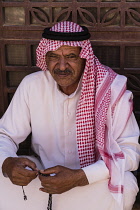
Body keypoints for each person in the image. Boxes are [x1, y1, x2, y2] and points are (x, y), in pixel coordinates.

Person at [0, 21, 139, 210]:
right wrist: (7, 162)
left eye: (71, 56)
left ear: (84, 58)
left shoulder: (111, 90)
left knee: (127, 183)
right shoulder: (32, 85)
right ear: (45, 58)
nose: (62, 66)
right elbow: (5, 135)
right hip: (44, 179)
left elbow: (130, 153)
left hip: (91, 180)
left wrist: (80, 177)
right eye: (54, 57)